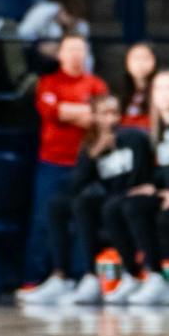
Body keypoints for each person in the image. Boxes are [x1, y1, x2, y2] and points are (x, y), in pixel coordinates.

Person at [18, 36, 110, 305]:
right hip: (52, 162)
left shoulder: (96, 84)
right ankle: (34, 279)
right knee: (43, 220)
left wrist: (69, 111)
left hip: (86, 165)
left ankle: (80, 278)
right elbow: (51, 111)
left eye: (81, 49)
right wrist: (83, 112)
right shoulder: (48, 83)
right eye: (70, 49)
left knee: (83, 219)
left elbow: (102, 116)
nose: (75, 55)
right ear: (60, 54)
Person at [104, 69, 169, 307]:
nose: (164, 94)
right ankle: (134, 274)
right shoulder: (153, 133)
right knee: (115, 207)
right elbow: (158, 171)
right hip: (164, 194)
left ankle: (161, 276)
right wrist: (151, 186)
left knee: (143, 211)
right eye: (159, 89)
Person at [66, 93, 157, 307]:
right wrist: (95, 153)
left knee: (114, 207)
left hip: (130, 197)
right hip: (110, 199)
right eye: (105, 114)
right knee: (78, 204)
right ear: (95, 117)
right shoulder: (89, 145)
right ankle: (89, 276)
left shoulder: (134, 137)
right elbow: (77, 185)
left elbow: (144, 174)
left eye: (115, 113)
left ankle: (133, 274)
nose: (111, 119)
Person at [17, 0, 93, 70]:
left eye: (77, 18)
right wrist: (38, 47)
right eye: (70, 14)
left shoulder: (82, 25)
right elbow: (21, 36)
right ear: (61, 8)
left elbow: (87, 56)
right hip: (34, 55)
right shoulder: (42, 12)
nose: (72, 21)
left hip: (64, 63)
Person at [118, 43, 157, 130]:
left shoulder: (159, 91)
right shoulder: (119, 92)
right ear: (127, 62)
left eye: (145, 58)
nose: (140, 63)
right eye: (136, 58)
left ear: (154, 61)